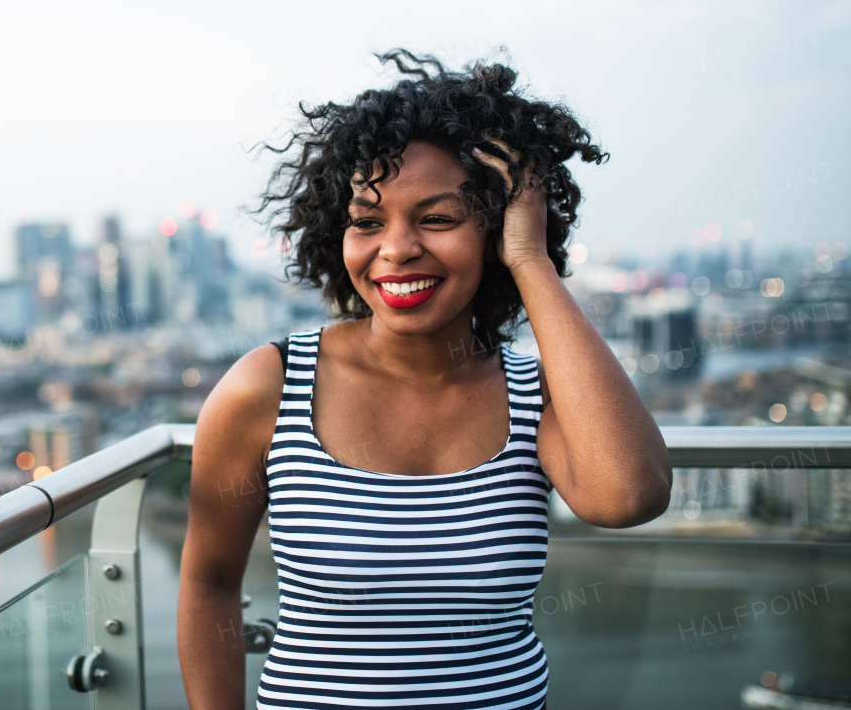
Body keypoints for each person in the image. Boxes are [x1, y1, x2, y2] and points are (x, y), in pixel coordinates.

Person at [177, 50, 671, 710]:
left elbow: (630, 494)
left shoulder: (534, 393)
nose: (396, 248)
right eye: (368, 221)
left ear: (493, 231)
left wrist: (530, 258)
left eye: (437, 218)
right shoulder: (270, 386)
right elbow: (208, 580)